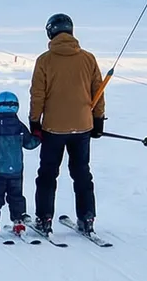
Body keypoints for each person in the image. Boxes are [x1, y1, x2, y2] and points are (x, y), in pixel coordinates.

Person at [29, 12, 105, 236]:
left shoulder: (44, 60)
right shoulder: (88, 58)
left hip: (53, 128)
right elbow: (98, 92)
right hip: (82, 127)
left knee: (47, 174)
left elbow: (37, 95)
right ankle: (87, 218)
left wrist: (34, 122)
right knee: (82, 174)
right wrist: (98, 120)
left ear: (50, 32)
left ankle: (44, 218)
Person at [0, 90, 40, 237]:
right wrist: (38, 136)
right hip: (16, 171)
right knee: (16, 196)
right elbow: (29, 144)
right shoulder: (19, 127)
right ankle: (18, 222)